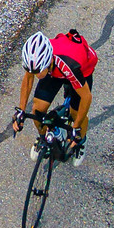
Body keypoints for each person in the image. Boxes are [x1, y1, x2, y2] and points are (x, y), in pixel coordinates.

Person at [13, 30, 97, 167]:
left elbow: (86, 97)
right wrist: (21, 111)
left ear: (48, 61)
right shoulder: (35, 59)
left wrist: (75, 128)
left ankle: (81, 141)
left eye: (38, 71)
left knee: (76, 114)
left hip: (80, 70)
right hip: (54, 70)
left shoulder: (69, 65)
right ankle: (44, 138)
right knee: (37, 110)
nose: (35, 74)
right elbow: (28, 79)